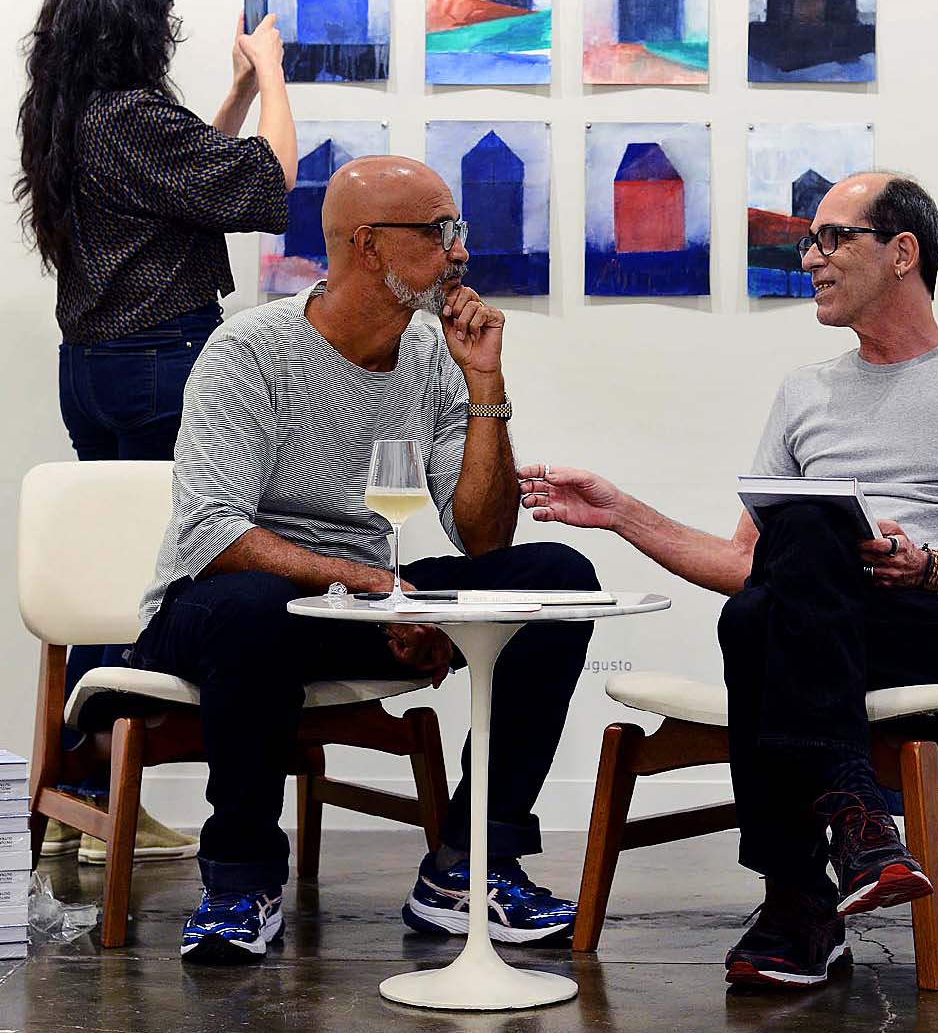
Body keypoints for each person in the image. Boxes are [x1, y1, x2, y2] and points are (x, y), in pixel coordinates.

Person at [520, 172, 938, 989]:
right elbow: (746, 566)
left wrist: (930, 564)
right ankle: (854, 826)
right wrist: (620, 513)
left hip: (930, 628)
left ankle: (796, 899)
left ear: (902, 253)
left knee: (766, 605)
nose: (809, 258)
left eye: (832, 238)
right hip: (817, 632)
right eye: (809, 242)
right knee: (774, 584)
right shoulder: (805, 391)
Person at [131, 154, 597, 964]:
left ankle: (469, 865)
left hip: (362, 606)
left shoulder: (433, 357)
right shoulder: (249, 351)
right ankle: (240, 881)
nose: (460, 251)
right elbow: (214, 534)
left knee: (554, 580)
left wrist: (485, 385)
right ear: (369, 244)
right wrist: (380, 589)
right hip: (221, 607)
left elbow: (485, 541)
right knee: (255, 608)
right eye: (440, 231)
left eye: (458, 229)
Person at [16, 0, 298, 864]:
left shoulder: (71, 115)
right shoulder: (131, 116)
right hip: (160, 365)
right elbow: (266, 185)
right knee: (166, 576)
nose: (170, 31)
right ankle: (108, 792)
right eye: (164, 16)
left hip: (95, 368)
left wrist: (239, 94)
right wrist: (274, 74)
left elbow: (189, 183)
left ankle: (85, 795)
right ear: (135, 23)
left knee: (116, 574)